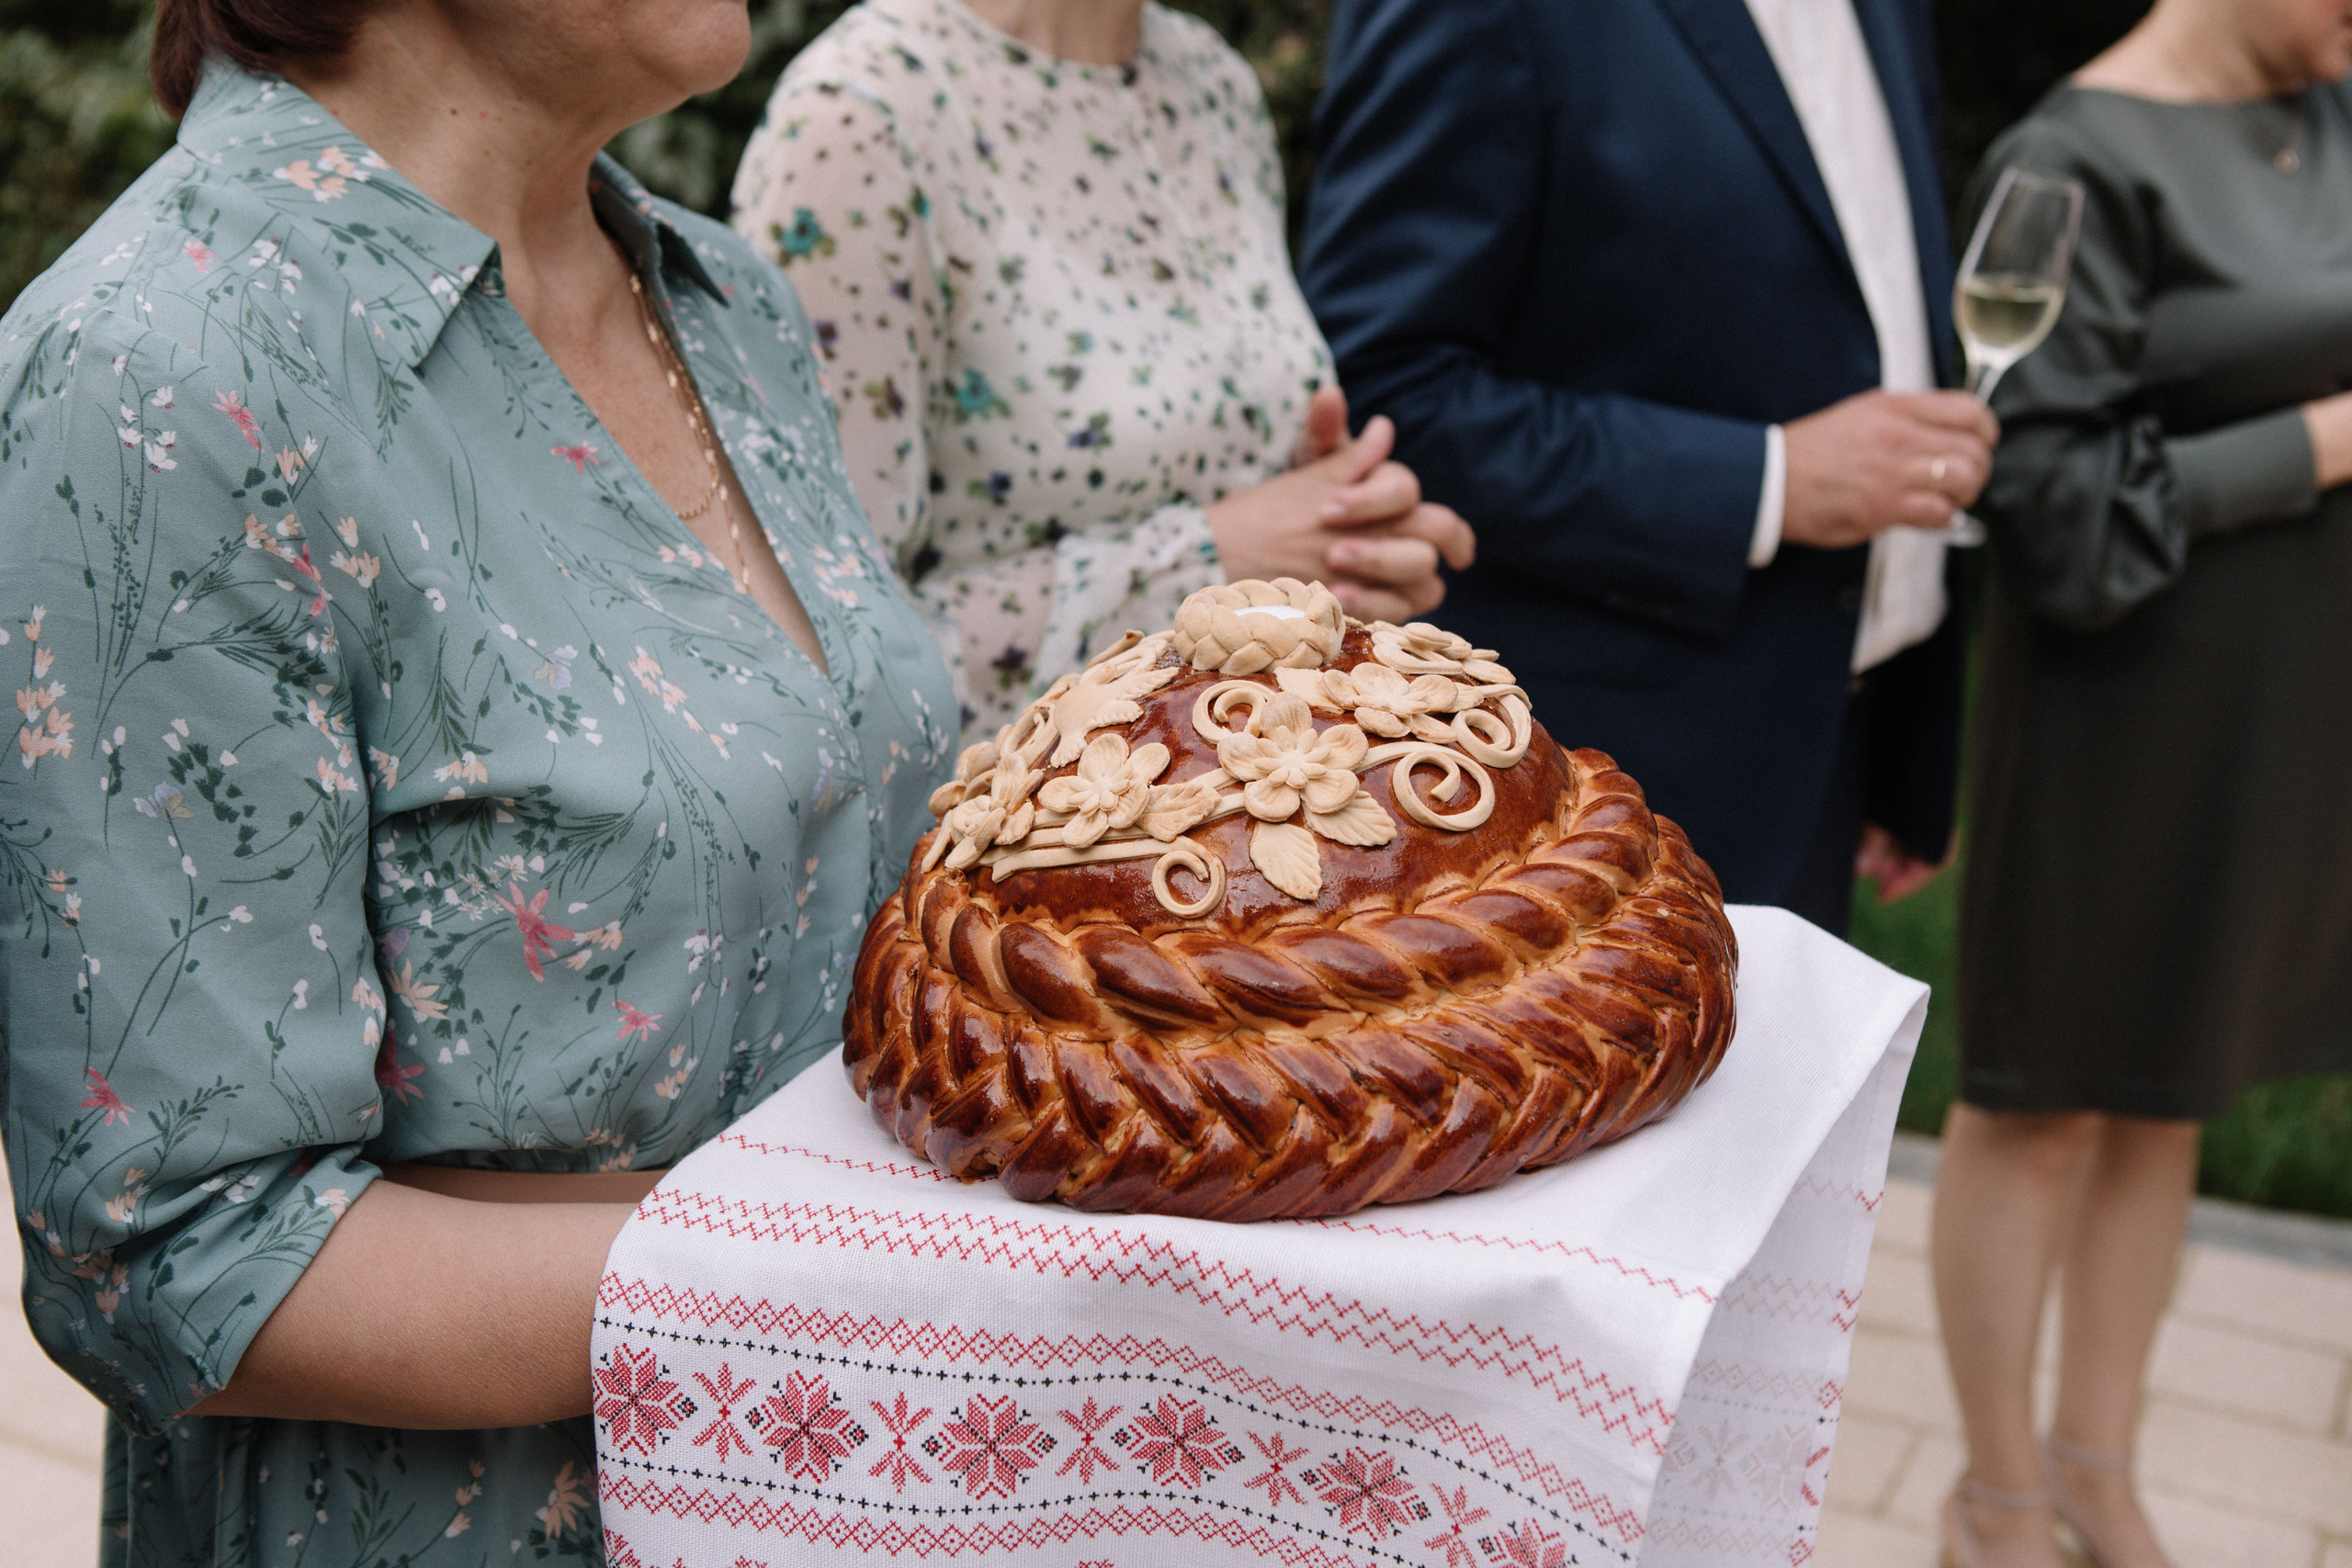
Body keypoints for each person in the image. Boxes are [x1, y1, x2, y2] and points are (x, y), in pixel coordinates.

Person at [0, 0, 957, 1558]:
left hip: (865, 1489)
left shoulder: (725, 304)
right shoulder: (157, 375)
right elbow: (183, 1255)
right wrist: (874, 1265)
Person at [1297, 0, 2000, 932]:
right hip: (1591, 787)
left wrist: (1906, 754)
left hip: (1826, 740)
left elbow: (1865, 282)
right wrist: (1767, 482)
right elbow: (1393, 389)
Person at [1934, 0, 2352, 1561]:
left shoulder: (2335, 107)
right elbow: (2046, 498)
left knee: (2170, 1095)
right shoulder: (2072, 160)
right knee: (2044, 1101)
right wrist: (2318, 442)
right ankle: (1997, 1497)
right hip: (2127, 713)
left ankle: (2098, 1462)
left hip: (2291, 710)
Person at [729, 0, 1474, 745]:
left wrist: (1341, 532)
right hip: (1030, 844)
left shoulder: (1209, 79)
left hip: (1251, 806)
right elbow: (822, 668)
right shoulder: (855, 124)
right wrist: (1208, 565)